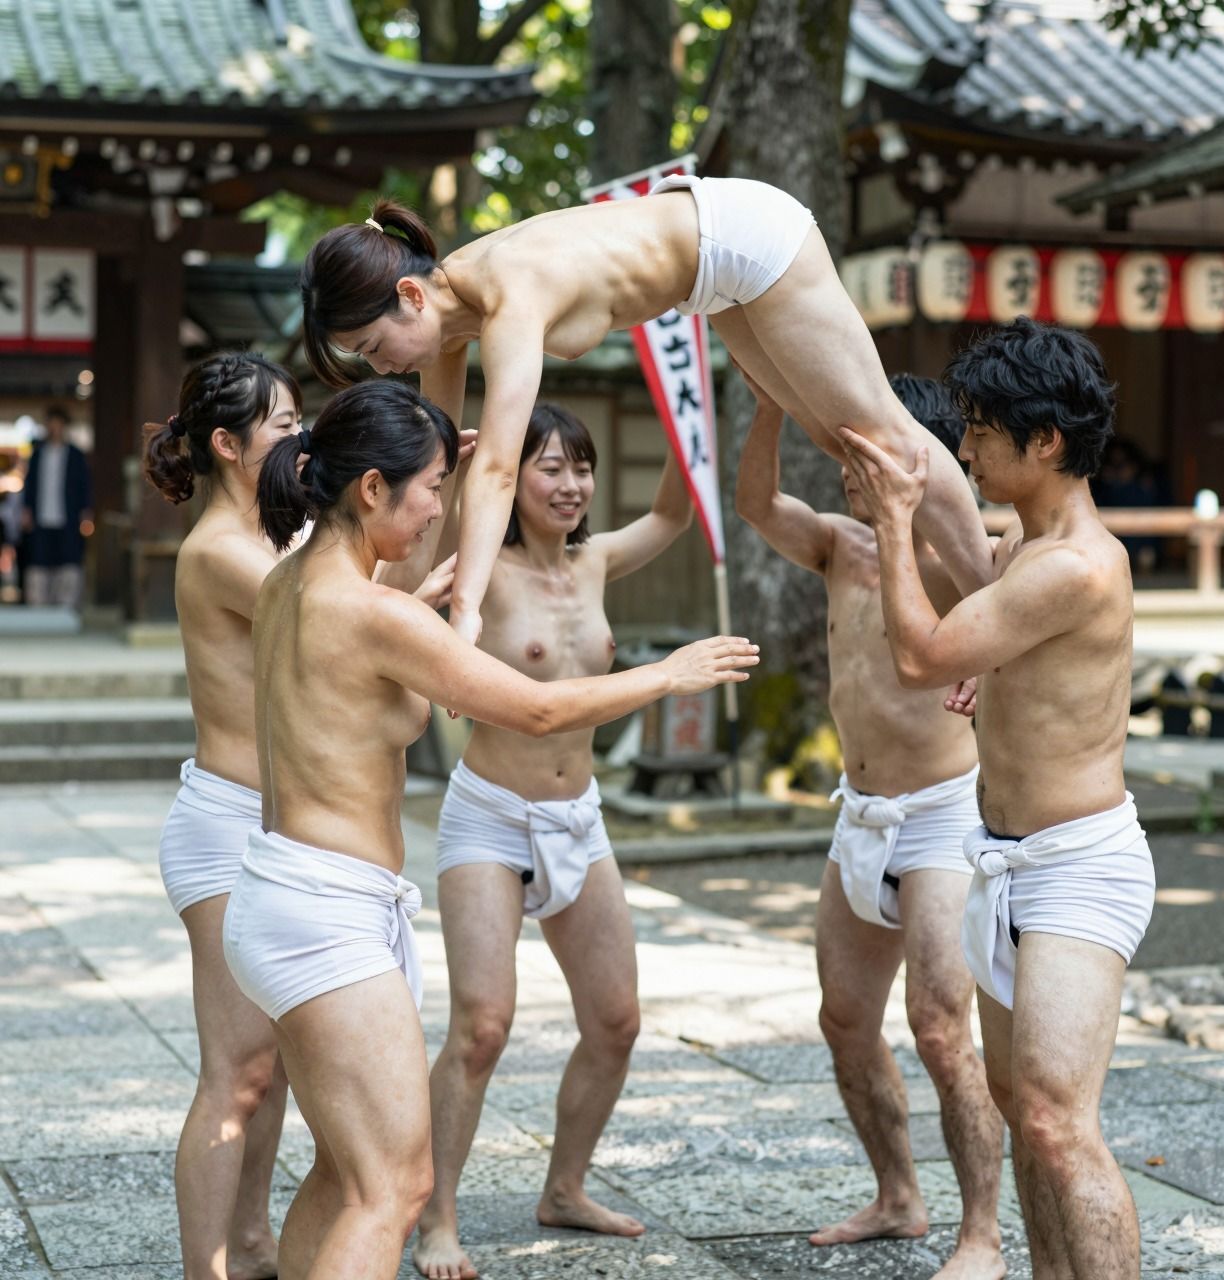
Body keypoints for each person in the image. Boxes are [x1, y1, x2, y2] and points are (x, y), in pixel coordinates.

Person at [224, 379, 757, 1280]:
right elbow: (537, 710)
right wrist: (669, 676)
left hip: (292, 897)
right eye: (434, 486)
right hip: (325, 916)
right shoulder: (375, 611)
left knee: (349, 1173)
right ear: (371, 490)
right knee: (394, 1187)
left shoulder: (290, 582)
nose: (445, 508)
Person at [297, 188, 994, 646]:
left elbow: (500, 466)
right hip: (709, 286)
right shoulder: (442, 334)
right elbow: (433, 481)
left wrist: (467, 608)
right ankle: (991, 596)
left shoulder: (511, 288)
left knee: (876, 435)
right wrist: (380, 603)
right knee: (834, 439)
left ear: (411, 296)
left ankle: (992, 608)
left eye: (373, 347)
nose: (380, 367)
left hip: (742, 236)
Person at [839, 317, 1156, 1280]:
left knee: (1061, 1121)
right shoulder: (1029, 542)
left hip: (1075, 869)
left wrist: (893, 520)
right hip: (1006, 859)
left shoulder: (1073, 562)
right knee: (1022, 1109)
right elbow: (990, 652)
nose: (964, 448)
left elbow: (921, 654)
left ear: (1045, 441)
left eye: (979, 430)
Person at [412, 403, 693, 1280]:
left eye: (582, 468)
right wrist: (455, 460)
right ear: (512, 479)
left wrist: (697, 425)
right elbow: (452, 515)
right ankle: (438, 1219)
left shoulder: (598, 560)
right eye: (549, 468)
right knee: (482, 1027)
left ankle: (564, 1189)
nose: (570, 486)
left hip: (581, 816)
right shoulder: (479, 573)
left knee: (616, 1022)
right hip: (491, 814)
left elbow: (674, 516)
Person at [736, 371, 1005, 1280]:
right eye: (844, 452)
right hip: (860, 816)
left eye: (867, 453)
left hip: (940, 817)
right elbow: (756, 501)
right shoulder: (840, 544)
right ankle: (898, 1196)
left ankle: (984, 1233)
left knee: (939, 1026)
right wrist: (773, 403)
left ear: (919, 462)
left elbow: (1037, 628)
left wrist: (994, 672)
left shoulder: (974, 554)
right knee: (845, 1020)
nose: (849, 469)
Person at [142, 355, 319, 1280]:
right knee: (237, 1072)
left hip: (276, 826)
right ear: (227, 443)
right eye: (282, 423)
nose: (298, 436)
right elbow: (330, 623)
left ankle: (252, 1239)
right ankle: (206, 1264)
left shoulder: (273, 534)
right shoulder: (218, 548)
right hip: (223, 828)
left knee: (277, 1060)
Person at [21, 406, 92, 607]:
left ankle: (66, 603)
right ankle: (38, 602)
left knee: (69, 559)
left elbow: (84, 485)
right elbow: (30, 484)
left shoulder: (75, 454)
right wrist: (26, 510)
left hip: (68, 515)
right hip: (41, 514)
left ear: (64, 426)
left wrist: (86, 511)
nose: (54, 428)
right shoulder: (37, 454)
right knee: (39, 560)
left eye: (58, 424)